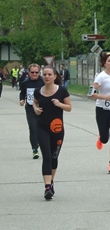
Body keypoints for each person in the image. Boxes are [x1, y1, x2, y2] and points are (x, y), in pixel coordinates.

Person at [33, 66, 71, 200]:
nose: (47, 77)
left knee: (54, 158)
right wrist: (35, 109)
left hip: (57, 129)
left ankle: (51, 181)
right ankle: (47, 187)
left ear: (55, 76)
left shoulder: (62, 90)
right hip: (42, 128)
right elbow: (34, 103)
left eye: (49, 74)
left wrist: (60, 104)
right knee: (47, 157)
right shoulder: (38, 91)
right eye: (44, 74)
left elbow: (69, 108)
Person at [19, 64, 44, 159]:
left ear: (39, 72)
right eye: (32, 72)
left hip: (42, 108)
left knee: (42, 129)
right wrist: (22, 100)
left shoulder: (43, 82)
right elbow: (22, 93)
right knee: (33, 128)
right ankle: (35, 150)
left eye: (36, 72)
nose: (34, 74)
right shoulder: (25, 82)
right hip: (30, 108)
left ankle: (39, 142)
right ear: (29, 73)